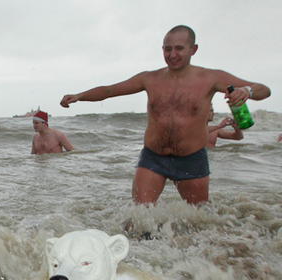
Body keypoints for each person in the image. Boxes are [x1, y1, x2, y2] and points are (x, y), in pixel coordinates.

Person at [60, 25, 270, 206]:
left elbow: (264, 90)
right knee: (139, 219)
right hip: (153, 157)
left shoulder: (210, 78)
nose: (172, 54)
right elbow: (109, 90)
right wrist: (79, 96)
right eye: (167, 49)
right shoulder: (150, 78)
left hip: (192, 159)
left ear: (193, 49)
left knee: (197, 222)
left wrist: (247, 91)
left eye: (179, 48)